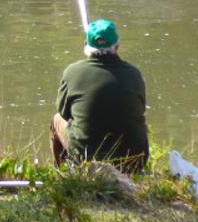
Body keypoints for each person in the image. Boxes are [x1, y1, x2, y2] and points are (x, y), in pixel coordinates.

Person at [50, 18, 148, 172]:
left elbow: (64, 113)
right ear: (117, 46)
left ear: (85, 45)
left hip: (87, 161)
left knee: (56, 120)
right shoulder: (134, 74)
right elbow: (141, 109)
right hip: (133, 163)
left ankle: (63, 176)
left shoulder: (72, 71)